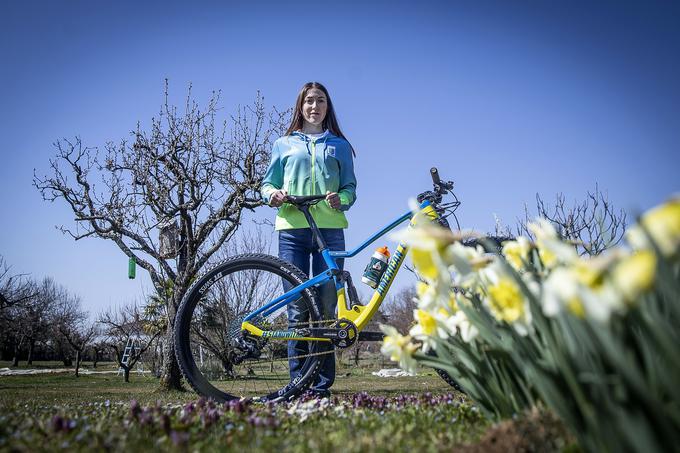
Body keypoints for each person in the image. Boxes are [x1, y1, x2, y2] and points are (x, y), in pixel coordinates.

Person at [260, 81, 357, 397]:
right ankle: (297, 384)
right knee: (298, 308)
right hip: (292, 229)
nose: (315, 106)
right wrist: (273, 194)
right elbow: (267, 184)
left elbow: (350, 188)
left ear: (328, 108)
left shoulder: (340, 146)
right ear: (300, 106)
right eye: (310, 101)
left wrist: (340, 199)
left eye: (321, 101)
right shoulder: (283, 144)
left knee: (328, 306)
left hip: (330, 230)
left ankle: (321, 385)